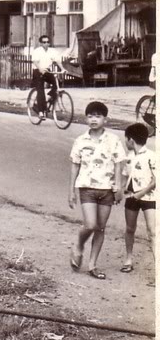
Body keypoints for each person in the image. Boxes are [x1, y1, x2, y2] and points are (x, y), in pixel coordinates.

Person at [69, 101, 126, 280]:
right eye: (90, 116)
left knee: (100, 228)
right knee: (90, 225)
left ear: (105, 120)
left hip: (107, 190)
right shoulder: (80, 141)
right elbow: (74, 167)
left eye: (98, 116)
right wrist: (71, 191)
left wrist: (117, 188)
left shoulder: (113, 140)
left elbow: (118, 164)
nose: (93, 119)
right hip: (86, 188)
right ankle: (78, 246)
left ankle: (93, 264)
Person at [120, 122, 155, 275]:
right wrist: (119, 192)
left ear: (131, 140)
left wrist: (141, 193)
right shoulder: (128, 158)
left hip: (150, 198)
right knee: (130, 228)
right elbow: (124, 178)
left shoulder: (152, 156)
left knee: (153, 231)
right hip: (131, 197)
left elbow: (156, 181)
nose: (125, 142)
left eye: (126, 139)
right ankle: (128, 259)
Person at [31, 34, 62, 119]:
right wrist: (40, 69)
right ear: (41, 43)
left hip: (47, 71)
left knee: (58, 82)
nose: (46, 44)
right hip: (38, 71)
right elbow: (35, 62)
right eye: (44, 42)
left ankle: (49, 96)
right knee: (40, 90)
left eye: (48, 42)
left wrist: (63, 69)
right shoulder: (37, 51)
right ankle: (41, 112)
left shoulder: (52, 51)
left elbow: (58, 61)